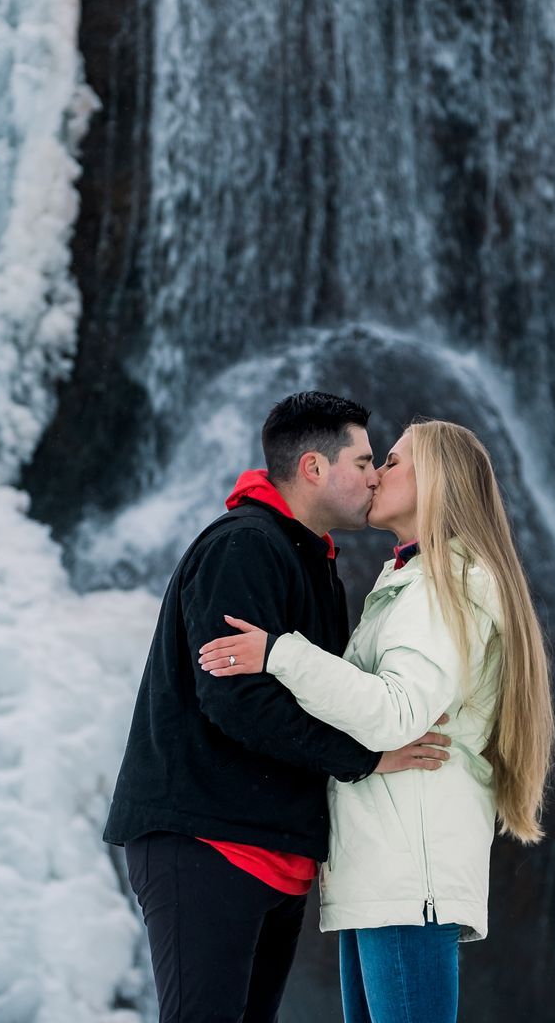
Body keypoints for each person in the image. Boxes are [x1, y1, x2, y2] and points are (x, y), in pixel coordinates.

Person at [103, 391, 454, 1023]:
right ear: (315, 468)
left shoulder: (313, 561)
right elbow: (233, 700)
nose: (376, 476)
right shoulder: (243, 546)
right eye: (365, 460)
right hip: (207, 837)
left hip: (274, 848)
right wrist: (364, 759)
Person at [197, 419, 555, 1023]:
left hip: (405, 873)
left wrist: (278, 653)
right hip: (383, 870)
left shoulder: (447, 585)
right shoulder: (410, 582)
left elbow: (394, 712)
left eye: (391, 461)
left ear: (437, 483)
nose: (374, 474)